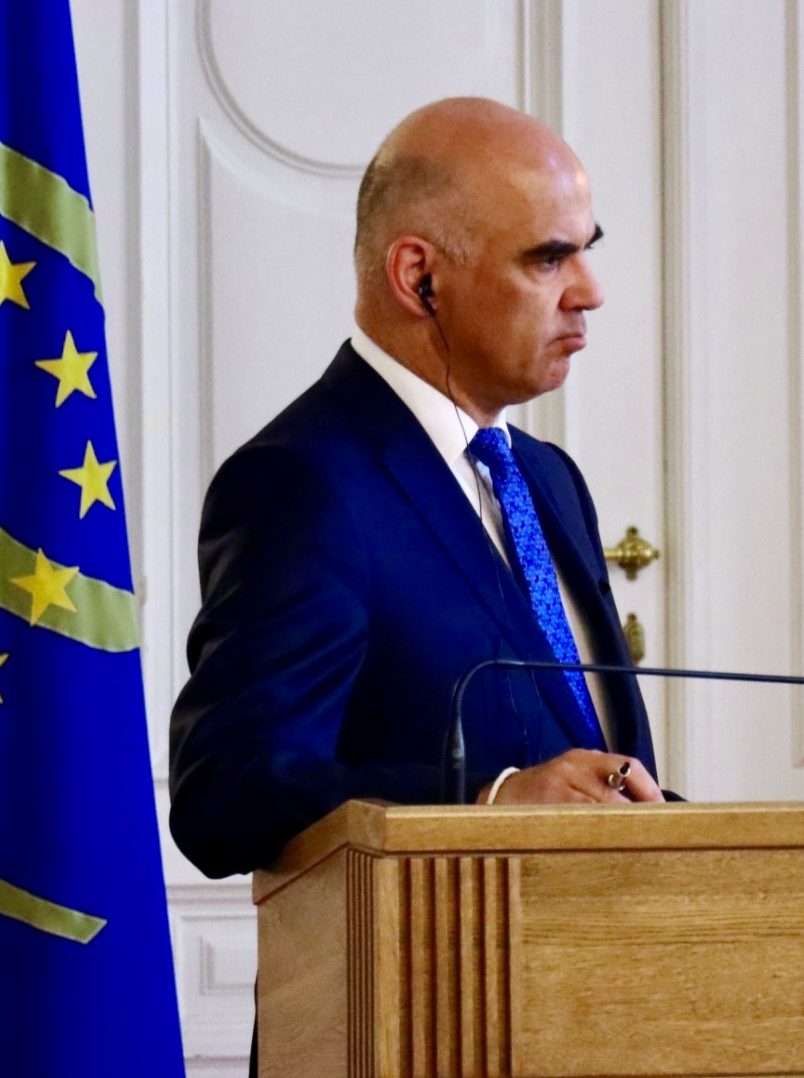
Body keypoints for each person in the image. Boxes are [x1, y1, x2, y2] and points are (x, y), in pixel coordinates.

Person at [169, 97, 672, 882]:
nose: (590, 291)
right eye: (548, 259)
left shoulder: (547, 477)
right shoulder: (303, 482)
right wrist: (490, 800)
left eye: (587, 251)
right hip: (431, 954)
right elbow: (226, 790)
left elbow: (585, 762)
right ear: (420, 277)